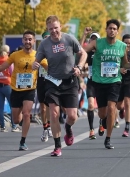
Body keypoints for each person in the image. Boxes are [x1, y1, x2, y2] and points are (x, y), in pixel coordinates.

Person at [32, 15, 88, 157]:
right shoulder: (44, 44)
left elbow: (83, 53)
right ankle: (57, 146)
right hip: (52, 82)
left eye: (56, 28)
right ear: (47, 29)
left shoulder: (69, 39)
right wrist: (35, 64)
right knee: (54, 113)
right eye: (50, 29)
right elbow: (36, 60)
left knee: (72, 116)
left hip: (69, 82)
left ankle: (68, 128)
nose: (53, 31)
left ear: (60, 27)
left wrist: (79, 67)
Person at [0, 31, 48, 150]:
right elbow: (1, 68)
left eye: (30, 39)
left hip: (30, 89)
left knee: (27, 114)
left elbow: (51, 69)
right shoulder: (15, 55)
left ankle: (23, 141)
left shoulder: (39, 55)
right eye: (26, 39)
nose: (28, 41)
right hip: (16, 90)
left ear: (33, 41)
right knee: (17, 119)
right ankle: (20, 117)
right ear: (22, 41)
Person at [84, 19, 130, 149]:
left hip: (114, 81)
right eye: (110, 28)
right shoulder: (97, 43)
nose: (112, 30)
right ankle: (103, 121)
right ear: (106, 29)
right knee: (102, 114)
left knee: (111, 108)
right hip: (99, 81)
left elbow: (124, 63)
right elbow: (82, 51)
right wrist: (84, 36)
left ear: (117, 31)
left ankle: (108, 138)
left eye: (114, 29)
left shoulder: (122, 46)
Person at [79, 28, 100, 140]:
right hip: (92, 81)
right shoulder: (88, 53)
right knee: (91, 105)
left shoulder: (102, 52)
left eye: (95, 39)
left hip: (102, 82)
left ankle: (102, 123)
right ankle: (91, 129)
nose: (93, 41)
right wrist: (84, 34)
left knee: (103, 108)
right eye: (92, 39)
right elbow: (79, 49)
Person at [0, 45, 17, 132]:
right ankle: (14, 126)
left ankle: (2, 127)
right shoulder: (8, 60)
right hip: (7, 85)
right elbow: (12, 72)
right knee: (12, 105)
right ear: (8, 51)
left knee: (0, 107)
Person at [117, 34, 130, 138]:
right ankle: (121, 110)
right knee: (118, 105)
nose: (127, 45)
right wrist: (122, 68)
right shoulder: (118, 53)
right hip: (119, 79)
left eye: (129, 43)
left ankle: (127, 127)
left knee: (127, 101)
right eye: (125, 43)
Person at [36, 31, 52, 141]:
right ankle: (45, 127)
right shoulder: (39, 51)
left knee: (50, 105)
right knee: (42, 107)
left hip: (51, 80)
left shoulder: (54, 51)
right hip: (41, 79)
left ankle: (50, 126)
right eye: (45, 38)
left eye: (48, 37)